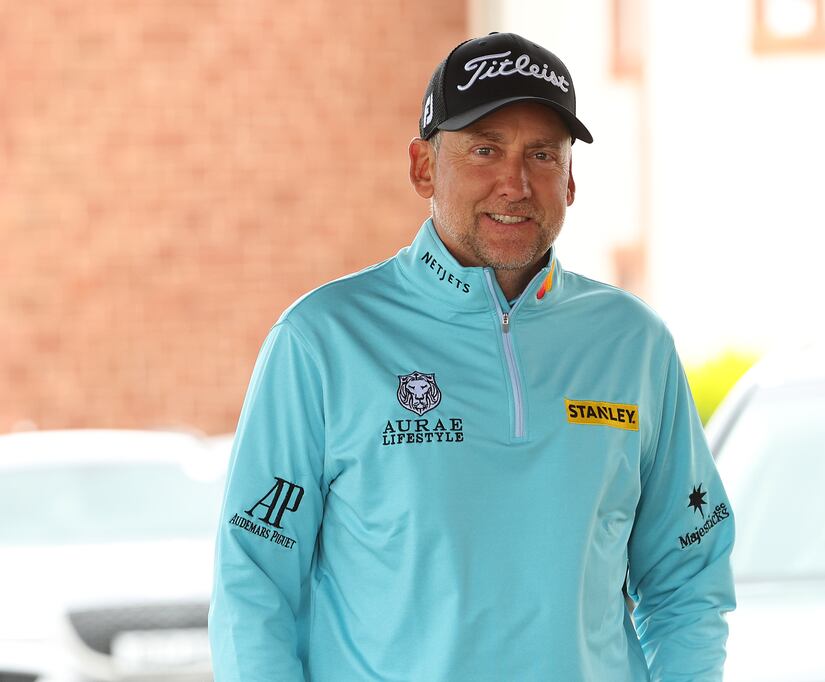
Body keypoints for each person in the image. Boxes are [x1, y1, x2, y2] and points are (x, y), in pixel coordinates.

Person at [209, 31, 736, 681]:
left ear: (571, 178)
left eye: (542, 154)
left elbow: (689, 579)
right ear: (422, 167)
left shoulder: (634, 344)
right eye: (485, 149)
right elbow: (254, 586)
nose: (515, 183)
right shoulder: (322, 341)